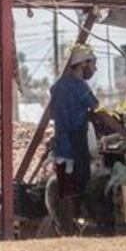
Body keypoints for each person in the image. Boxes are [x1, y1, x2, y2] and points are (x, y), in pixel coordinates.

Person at [49, 43, 99, 235]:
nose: (94, 69)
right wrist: (121, 129)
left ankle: (67, 228)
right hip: (76, 142)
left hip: (61, 144)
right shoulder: (80, 87)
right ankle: (78, 227)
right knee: (81, 185)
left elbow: (54, 114)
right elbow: (97, 109)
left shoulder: (57, 86)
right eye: (92, 65)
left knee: (65, 187)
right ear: (83, 64)